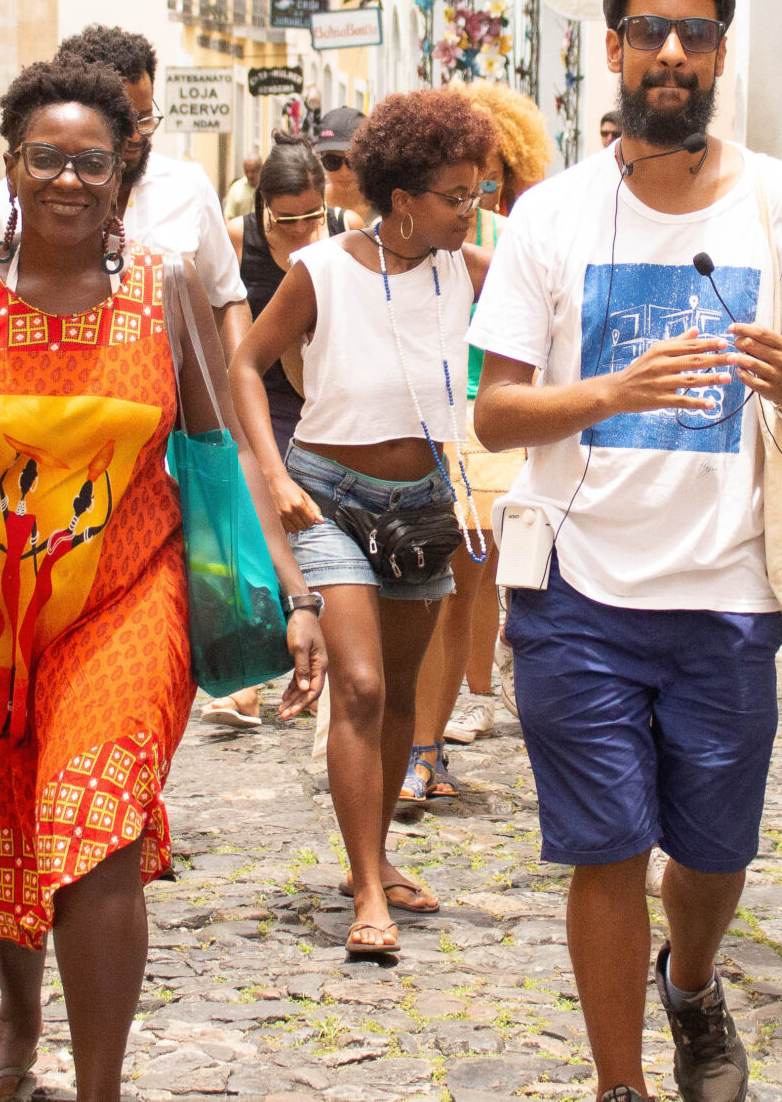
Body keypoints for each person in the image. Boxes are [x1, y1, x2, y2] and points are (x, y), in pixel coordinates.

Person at [0, 60, 326, 1102]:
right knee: (10, 826)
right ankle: (20, 1015)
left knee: (94, 824)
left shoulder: (161, 289)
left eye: (92, 161)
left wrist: (292, 593)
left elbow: (217, 455)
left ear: (124, 172)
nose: (68, 180)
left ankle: (100, 1087)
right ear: (9, 170)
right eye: (47, 159)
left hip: (129, 599)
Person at [471, 0, 782, 1102]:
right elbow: (493, 410)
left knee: (713, 853)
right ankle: (618, 1084)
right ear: (616, 50)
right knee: (606, 847)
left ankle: (690, 982)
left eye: (693, 33)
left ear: (722, 53)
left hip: (729, 591)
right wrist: (613, 391)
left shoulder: (777, 202)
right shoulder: (551, 215)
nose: (670, 53)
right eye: (648, 31)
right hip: (575, 592)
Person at [230, 88, 493, 955]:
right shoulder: (324, 270)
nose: (470, 210)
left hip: (424, 506)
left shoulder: (470, 268)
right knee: (365, 685)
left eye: (478, 194)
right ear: (404, 197)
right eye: (457, 196)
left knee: (401, 706)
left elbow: (552, 314)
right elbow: (245, 362)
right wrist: (272, 473)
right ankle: (369, 891)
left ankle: (371, 858)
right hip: (330, 493)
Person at [411, 79, 559, 779]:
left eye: (487, 176)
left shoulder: (508, 238)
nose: (473, 192)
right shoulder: (414, 237)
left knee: (471, 572)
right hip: (428, 417)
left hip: (488, 412)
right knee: (445, 583)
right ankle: (429, 732)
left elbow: (524, 306)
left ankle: (454, 715)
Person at [0, 26, 249, 361]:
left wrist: (236, 381)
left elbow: (227, 299)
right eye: (123, 121)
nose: (136, 136)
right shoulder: (22, 196)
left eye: (146, 118)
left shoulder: (188, 186)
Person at [199, 140, 335, 731]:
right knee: (255, 526)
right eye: (289, 220)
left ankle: (313, 656)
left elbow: (315, 368)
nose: (304, 229)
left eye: (314, 216)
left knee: (311, 531)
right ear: (263, 213)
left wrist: (306, 264)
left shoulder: (341, 239)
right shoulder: (234, 241)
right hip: (251, 398)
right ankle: (250, 682)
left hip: (317, 397)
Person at [312, 104, 369, 224]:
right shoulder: (309, 207)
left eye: (353, 161)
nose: (344, 172)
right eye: (332, 161)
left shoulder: (388, 206)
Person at [222, 153, 263, 222]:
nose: (249, 175)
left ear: (261, 168)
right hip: (241, 231)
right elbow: (228, 217)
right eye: (246, 171)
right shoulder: (236, 189)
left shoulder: (269, 188)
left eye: (253, 171)